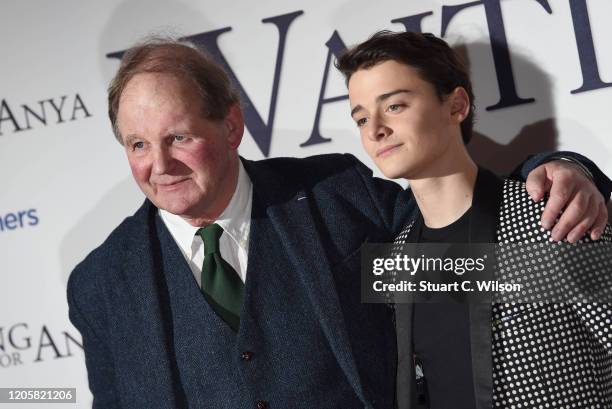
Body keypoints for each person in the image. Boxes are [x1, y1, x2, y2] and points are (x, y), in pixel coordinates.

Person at [67, 38, 610, 409]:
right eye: (138, 144)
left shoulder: (335, 196)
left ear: (231, 126)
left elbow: (460, 233)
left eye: (179, 137)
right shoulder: (101, 284)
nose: (159, 165)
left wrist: (555, 171)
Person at [337, 31, 612, 409]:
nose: (375, 130)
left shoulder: (547, 217)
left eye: (395, 106)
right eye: (361, 118)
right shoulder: (394, 259)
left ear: (456, 106)